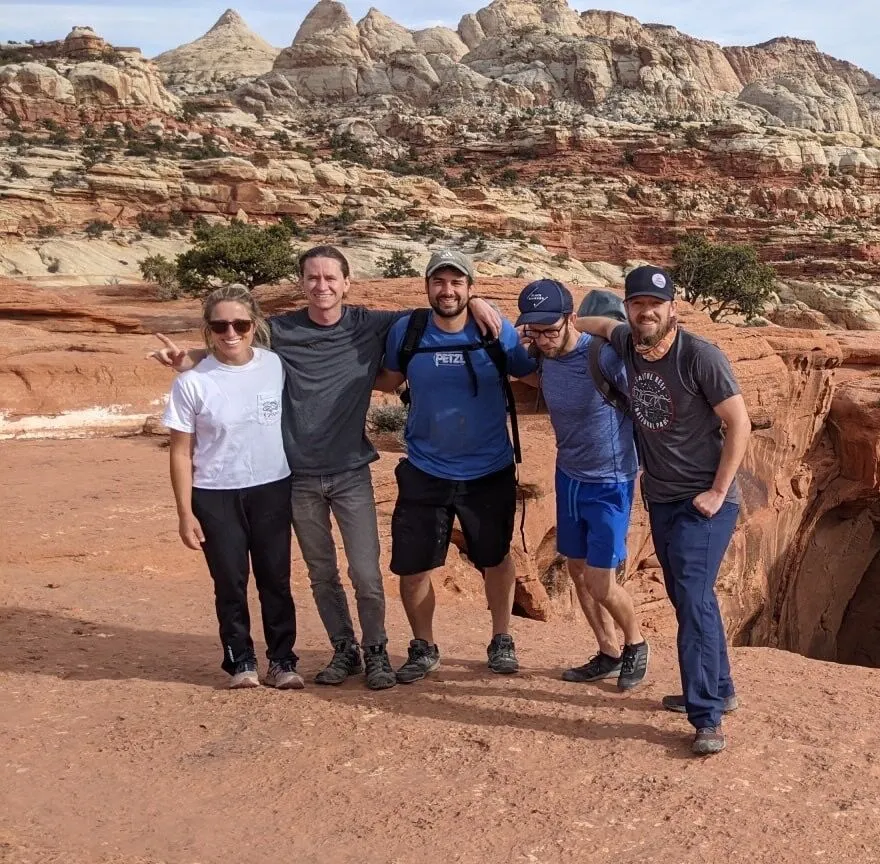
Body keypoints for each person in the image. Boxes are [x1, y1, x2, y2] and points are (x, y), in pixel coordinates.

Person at [149, 245, 503, 690]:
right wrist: (190, 359)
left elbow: (437, 305)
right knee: (321, 574)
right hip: (296, 476)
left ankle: (376, 649)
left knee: (367, 573)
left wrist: (476, 300)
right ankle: (344, 650)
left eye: (330, 278)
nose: (322, 286)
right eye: (313, 278)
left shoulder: (370, 323)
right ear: (302, 283)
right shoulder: (280, 331)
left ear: (347, 283)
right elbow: (233, 343)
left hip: (350, 470)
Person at [573, 265, 751, 756]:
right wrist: (567, 321)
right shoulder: (629, 341)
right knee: (688, 596)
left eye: (655, 304)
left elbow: (739, 423)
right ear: (628, 308)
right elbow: (597, 325)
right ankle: (722, 688)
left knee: (693, 596)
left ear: (673, 308)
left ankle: (706, 716)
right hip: (665, 498)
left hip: (706, 503)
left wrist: (717, 490)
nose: (646, 312)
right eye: (636, 305)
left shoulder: (700, 356)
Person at [374, 250, 537, 683]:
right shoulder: (407, 331)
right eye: (439, 282)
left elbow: (533, 372)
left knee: (496, 556)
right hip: (426, 468)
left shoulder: (493, 329)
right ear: (427, 286)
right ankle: (423, 645)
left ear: (470, 287)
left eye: (456, 283)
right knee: (413, 566)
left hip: (488, 469)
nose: (447, 291)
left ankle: (501, 638)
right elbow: (387, 379)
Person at [163, 285, 301, 690]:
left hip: (272, 486)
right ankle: (240, 659)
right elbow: (179, 452)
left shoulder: (274, 364)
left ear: (254, 325)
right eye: (220, 325)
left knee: (275, 578)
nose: (230, 333)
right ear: (208, 329)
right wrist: (185, 512)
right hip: (215, 493)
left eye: (240, 323)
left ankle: (282, 660)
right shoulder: (192, 382)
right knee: (230, 580)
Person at [514, 279, 648, 690]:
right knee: (575, 568)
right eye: (532, 331)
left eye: (550, 330)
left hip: (611, 480)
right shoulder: (543, 356)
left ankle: (636, 643)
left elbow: (643, 374)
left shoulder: (605, 356)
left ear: (572, 318)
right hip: (569, 476)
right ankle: (607, 650)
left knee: (600, 579)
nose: (542, 339)